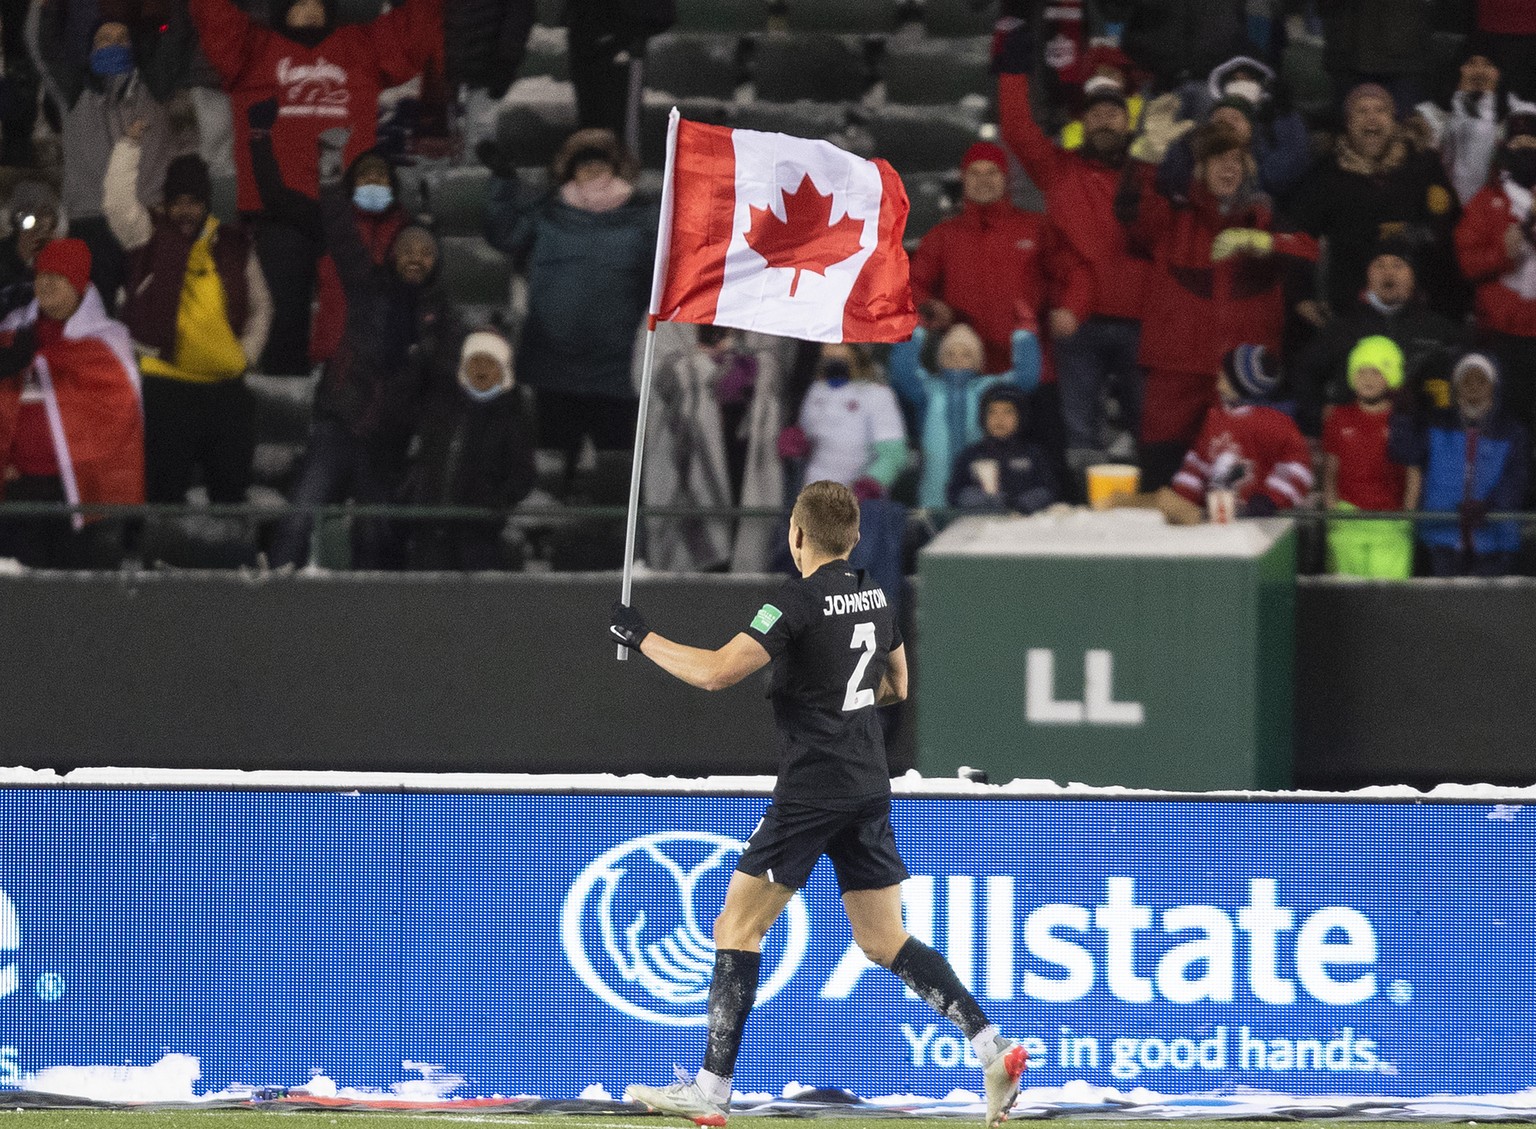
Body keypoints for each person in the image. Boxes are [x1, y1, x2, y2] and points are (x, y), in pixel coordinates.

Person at [609, 479, 1027, 1129]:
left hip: (812, 788)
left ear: (796, 535)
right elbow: (897, 686)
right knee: (883, 937)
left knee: (735, 927)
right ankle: (990, 1046)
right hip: (866, 779)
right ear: (855, 537)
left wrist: (641, 638)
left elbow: (718, 671)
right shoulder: (875, 593)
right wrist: (840, 699)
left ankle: (711, 1090)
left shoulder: (794, 602)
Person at [189, 0, 445, 376]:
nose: (308, 5)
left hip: (344, 209)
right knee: (277, 319)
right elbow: (213, 15)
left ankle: (341, 402)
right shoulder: (252, 47)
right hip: (276, 211)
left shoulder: (361, 43)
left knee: (348, 323)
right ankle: (283, 393)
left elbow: (416, 28)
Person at [253, 123, 458, 569]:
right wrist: (329, 172)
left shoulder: (441, 314)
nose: (416, 258)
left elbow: (442, 380)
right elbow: (341, 232)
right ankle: (274, 583)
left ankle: (373, 604)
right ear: (394, 255)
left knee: (375, 528)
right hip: (340, 422)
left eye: (426, 252)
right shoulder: (369, 285)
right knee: (302, 509)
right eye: (409, 250)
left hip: (389, 438)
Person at [1117, 120, 1318, 487]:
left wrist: (1264, 243)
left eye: (1237, 160)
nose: (1229, 168)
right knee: (1166, 482)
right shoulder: (1172, 221)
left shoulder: (1266, 220)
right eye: (1218, 160)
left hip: (1244, 381)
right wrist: (1145, 160)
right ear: (1200, 169)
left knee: (1240, 490)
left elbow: (1308, 250)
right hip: (1175, 377)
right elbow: (1133, 212)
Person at [996, 31, 1147, 480]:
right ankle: (1084, 508)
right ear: (1084, 122)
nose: (1104, 121)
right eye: (1096, 113)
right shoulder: (1060, 170)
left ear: (1126, 121)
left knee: (1146, 424)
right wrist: (1012, 73)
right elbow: (1018, 129)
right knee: (1080, 428)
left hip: (1142, 317)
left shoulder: (1150, 174)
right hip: (1076, 320)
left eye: (1112, 113)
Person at [104, 123, 272, 506]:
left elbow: (262, 306)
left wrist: (247, 353)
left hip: (227, 392)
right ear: (165, 203)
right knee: (163, 493)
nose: (185, 210)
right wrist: (129, 145)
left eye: (194, 201)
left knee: (230, 494)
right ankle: (162, 561)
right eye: (177, 201)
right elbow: (115, 203)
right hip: (166, 388)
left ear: (207, 204)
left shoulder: (232, 244)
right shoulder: (145, 234)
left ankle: (227, 564)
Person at [482, 127, 655, 485]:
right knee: (552, 474)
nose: (591, 169)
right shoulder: (545, 212)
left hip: (618, 371)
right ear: (568, 169)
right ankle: (548, 534)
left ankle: (614, 537)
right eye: (581, 163)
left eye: (599, 162)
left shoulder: (647, 217)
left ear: (616, 167)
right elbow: (503, 234)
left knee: (618, 475)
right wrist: (502, 182)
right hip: (554, 369)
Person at [27, 6, 189, 312]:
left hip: (147, 217)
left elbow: (179, 35)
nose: (114, 42)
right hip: (91, 219)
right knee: (95, 311)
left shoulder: (154, 84)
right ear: (90, 49)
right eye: (104, 38)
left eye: (121, 37)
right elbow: (43, 48)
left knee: (151, 313)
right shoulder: (74, 91)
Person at [0, 237, 143, 567]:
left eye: (58, 277)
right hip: (20, 487)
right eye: (41, 275)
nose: (46, 285)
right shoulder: (10, 332)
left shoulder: (107, 341)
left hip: (79, 490)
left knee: (71, 590)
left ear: (79, 285)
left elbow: (120, 417)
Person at [1289, 82, 1460, 324]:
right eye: (1361, 111)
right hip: (1351, 310)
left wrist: (1416, 232)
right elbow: (1299, 237)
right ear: (1348, 124)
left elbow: (1449, 228)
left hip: (1418, 308)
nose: (1371, 117)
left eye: (1380, 110)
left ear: (1394, 121)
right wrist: (1301, 297)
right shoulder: (1327, 174)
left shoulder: (1422, 166)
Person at [1291, 231, 1467, 435]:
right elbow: (1305, 371)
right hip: (1352, 439)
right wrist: (1319, 414)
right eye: (1379, 265)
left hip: (1416, 441)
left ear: (1413, 277)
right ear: (1368, 276)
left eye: (1398, 265)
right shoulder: (1344, 326)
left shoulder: (1439, 330)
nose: (1388, 273)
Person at [1114, 345, 1311, 524]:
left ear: (1240, 384)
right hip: (1218, 520)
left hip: (1261, 525)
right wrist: (1183, 498)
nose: (1218, 374)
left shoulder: (1276, 423)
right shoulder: (1216, 419)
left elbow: (1297, 467)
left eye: (1225, 373)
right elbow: (1197, 463)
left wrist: (1268, 501)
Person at [908, 140, 1053, 377]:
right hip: (964, 367)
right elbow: (913, 283)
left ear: (1005, 177)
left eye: (992, 172)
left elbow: (1068, 273)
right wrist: (929, 306)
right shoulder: (943, 235)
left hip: (1030, 364)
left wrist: (1069, 311)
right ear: (964, 179)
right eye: (974, 173)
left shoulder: (1036, 227)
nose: (983, 180)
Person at [401, 329, 535, 571]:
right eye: (475, 361)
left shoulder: (510, 418)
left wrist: (495, 502)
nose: (482, 369)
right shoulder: (440, 407)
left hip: (478, 536)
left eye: (490, 362)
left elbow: (523, 474)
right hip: (429, 530)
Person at [1390, 351, 1528, 577]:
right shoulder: (1436, 421)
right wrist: (1403, 417)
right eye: (1467, 380)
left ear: (1493, 386)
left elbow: (1517, 478)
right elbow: (1404, 453)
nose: (1473, 386)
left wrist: (1489, 506)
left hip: (1494, 543)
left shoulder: (1512, 431)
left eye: (1481, 380)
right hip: (1441, 540)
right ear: (1456, 386)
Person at [888, 322, 1040, 510]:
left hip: (979, 491)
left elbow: (1024, 380)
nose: (957, 359)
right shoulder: (929, 390)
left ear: (977, 361)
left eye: (966, 354)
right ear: (940, 359)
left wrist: (1024, 336)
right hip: (934, 490)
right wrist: (913, 331)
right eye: (950, 354)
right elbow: (903, 373)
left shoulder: (988, 388)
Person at [1453, 103, 1536, 436]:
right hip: (1504, 332)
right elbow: (1468, 262)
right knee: (1508, 426)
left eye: (1533, 145)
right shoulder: (1486, 201)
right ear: (1504, 150)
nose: (1526, 152)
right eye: (1518, 145)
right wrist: (1505, 249)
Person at [1322, 336, 1419, 579]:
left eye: (1376, 372)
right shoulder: (1338, 417)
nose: (1367, 379)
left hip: (1390, 523)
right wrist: (1333, 513)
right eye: (1361, 371)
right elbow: (1330, 470)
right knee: (1345, 601)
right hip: (1347, 521)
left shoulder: (1403, 421)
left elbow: (1413, 472)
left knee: (1389, 602)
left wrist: (1406, 517)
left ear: (1391, 377)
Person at [308, 149, 410, 369]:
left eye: (380, 177)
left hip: (388, 344)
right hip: (337, 342)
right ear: (351, 185)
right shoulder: (331, 225)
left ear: (392, 184)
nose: (372, 181)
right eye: (364, 177)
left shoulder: (409, 231)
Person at [778, 343, 906, 501]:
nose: (830, 352)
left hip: (858, 501)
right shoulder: (816, 390)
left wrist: (870, 484)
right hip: (814, 495)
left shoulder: (877, 394)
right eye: (827, 349)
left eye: (839, 346)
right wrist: (796, 444)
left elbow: (893, 453)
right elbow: (806, 439)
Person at [947, 384, 1059, 515]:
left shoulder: (1032, 453)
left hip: (1024, 522)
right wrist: (984, 500)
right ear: (983, 417)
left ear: (1021, 417)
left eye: (1008, 411)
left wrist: (1019, 504)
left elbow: (1049, 489)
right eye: (992, 412)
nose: (999, 419)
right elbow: (954, 493)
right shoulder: (971, 454)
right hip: (980, 523)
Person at [0, 180, 63, 322]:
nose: (38, 220)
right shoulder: (5, 254)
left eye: (46, 211)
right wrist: (20, 260)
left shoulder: (63, 254)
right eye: (29, 210)